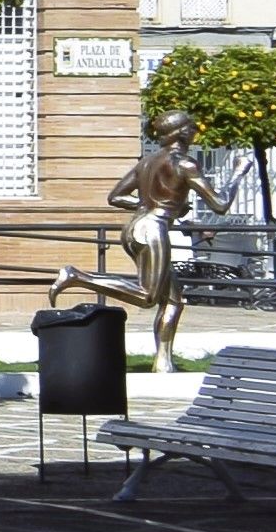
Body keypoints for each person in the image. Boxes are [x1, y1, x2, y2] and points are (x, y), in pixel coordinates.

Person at [49, 108, 213, 371]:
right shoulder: (185, 163)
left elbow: (116, 196)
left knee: (174, 300)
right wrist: (239, 173)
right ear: (182, 132)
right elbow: (219, 204)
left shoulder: (147, 162)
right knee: (147, 296)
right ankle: (78, 276)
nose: (195, 132)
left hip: (137, 226)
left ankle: (163, 362)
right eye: (192, 127)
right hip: (153, 229)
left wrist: (151, 204)